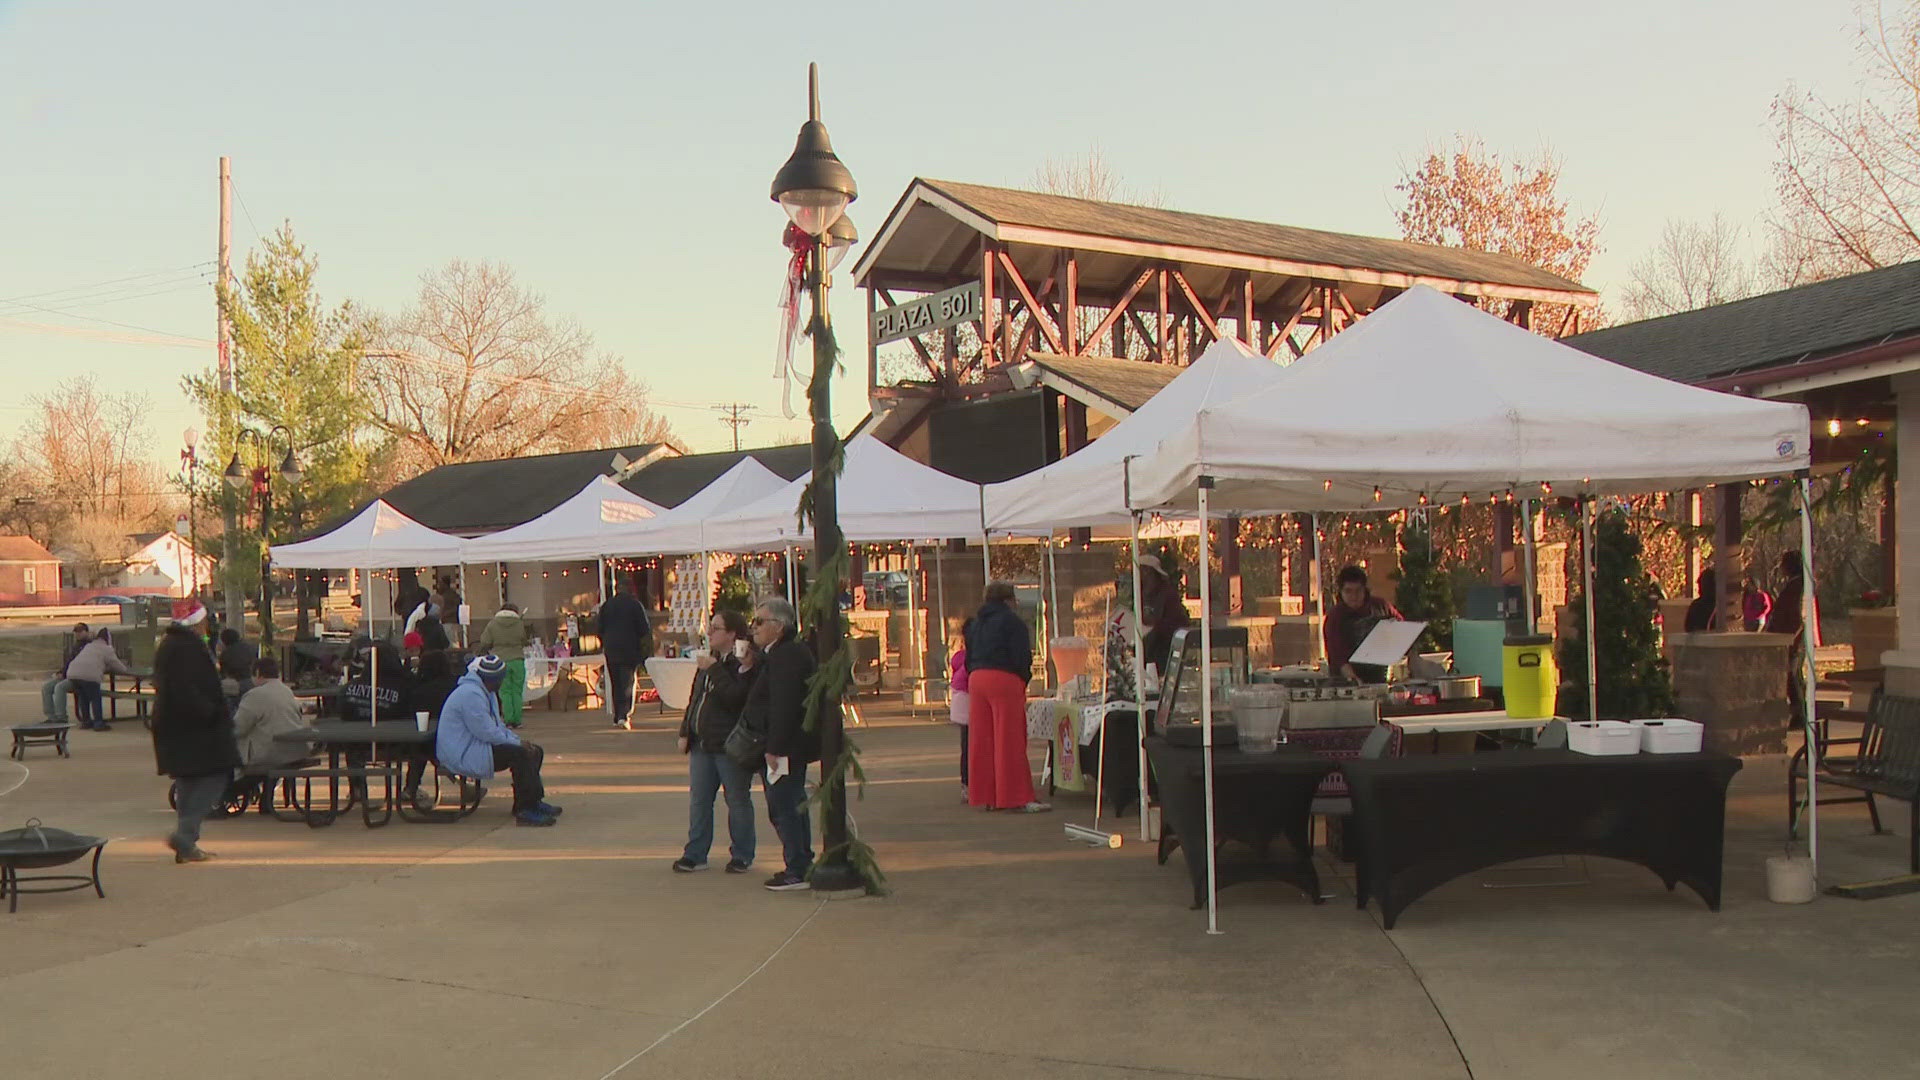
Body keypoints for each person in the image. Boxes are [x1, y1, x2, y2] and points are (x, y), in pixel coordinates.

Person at [150, 604, 240, 863]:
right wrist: (211, 712)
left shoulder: (170, 644)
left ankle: (187, 843)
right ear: (198, 623)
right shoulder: (187, 648)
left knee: (188, 782)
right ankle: (186, 835)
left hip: (174, 725)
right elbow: (187, 689)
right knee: (215, 778)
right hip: (196, 727)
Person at [740, 598, 819, 890]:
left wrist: (775, 747)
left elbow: (784, 706)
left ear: (779, 626)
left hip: (785, 746)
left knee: (784, 805)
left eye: (760, 622)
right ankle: (799, 862)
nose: (754, 628)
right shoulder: (775, 654)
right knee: (788, 804)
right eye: (754, 621)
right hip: (781, 743)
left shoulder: (789, 656)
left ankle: (798, 866)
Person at [673, 610, 760, 874]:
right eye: (710, 627)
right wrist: (685, 730)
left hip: (728, 743)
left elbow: (736, 697)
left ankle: (742, 854)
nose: (710, 632)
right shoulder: (709, 661)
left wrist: (716, 670)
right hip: (702, 741)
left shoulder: (742, 661)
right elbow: (696, 698)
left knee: (736, 799)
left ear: (732, 634)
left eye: (716, 628)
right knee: (699, 799)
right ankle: (696, 852)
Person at [436, 654, 560, 826]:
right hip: (462, 753)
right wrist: (517, 744)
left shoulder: (486, 691)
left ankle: (531, 802)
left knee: (534, 751)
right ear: (491, 679)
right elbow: (486, 732)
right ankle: (525, 810)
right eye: (499, 680)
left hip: (474, 746)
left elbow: (497, 726)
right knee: (520, 755)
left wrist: (517, 740)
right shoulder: (470, 695)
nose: (501, 683)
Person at [965, 582, 1048, 813]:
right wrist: (1023, 678)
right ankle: (1016, 796)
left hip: (977, 678)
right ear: (1009, 600)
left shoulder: (976, 623)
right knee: (1008, 740)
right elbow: (1021, 655)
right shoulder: (1013, 622)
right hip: (1004, 678)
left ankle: (987, 795)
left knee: (982, 741)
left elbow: (968, 654)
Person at [231, 656, 314, 772]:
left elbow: (238, 728)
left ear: (258, 673)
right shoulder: (286, 691)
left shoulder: (255, 695)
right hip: (293, 752)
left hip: (267, 754)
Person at [1323, 565, 1404, 684]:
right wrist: (1353, 680)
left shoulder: (1381, 607)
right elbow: (1338, 656)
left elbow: (1404, 630)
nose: (1353, 596)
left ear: (1365, 590)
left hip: (1380, 676)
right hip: (1346, 682)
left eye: (1358, 591)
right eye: (1348, 591)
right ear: (1341, 592)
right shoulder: (1335, 617)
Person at [599, 573, 655, 730]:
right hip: (629, 649)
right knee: (627, 683)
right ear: (630, 589)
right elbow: (644, 629)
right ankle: (624, 715)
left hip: (611, 649)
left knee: (615, 682)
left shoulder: (607, 605)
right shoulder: (635, 605)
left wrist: (605, 642)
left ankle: (618, 715)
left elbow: (599, 628)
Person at [1767, 550, 1808, 726]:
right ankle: (1800, 712)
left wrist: (1791, 639)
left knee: (1793, 677)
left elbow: (1798, 616)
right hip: (1790, 640)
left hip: (1794, 642)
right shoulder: (1794, 585)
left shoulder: (1799, 587)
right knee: (1793, 677)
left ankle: (1801, 714)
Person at [1136, 554, 1191, 681]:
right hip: (1147, 651)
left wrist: (1155, 625)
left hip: (1165, 652)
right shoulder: (1141, 594)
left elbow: (1176, 623)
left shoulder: (1167, 595)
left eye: (1145, 572)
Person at [66, 626, 132, 731]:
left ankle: (86, 721)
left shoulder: (89, 646)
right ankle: (98, 723)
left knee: (84, 697)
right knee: (95, 698)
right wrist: (125, 669)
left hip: (73, 673)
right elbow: (118, 666)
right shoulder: (106, 649)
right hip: (89, 676)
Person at [477, 603, 531, 727]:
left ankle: (508, 719)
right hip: (517, 659)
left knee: (505, 691)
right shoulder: (519, 623)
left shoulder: (493, 623)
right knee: (517, 691)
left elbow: (485, 641)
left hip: (500, 661)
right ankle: (517, 720)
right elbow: (524, 640)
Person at [41, 622, 90, 723]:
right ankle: (51, 716)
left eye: (81, 631)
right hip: (68, 675)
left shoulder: (89, 646)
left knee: (60, 687)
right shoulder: (76, 646)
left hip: (79, 678)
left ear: (87, 632)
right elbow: (69, 662)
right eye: (76, 632)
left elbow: (81, 665)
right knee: (46, 687)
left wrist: (65, 674)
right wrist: (61, 672)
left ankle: (61, 717)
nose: (78, 634)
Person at [948, 619, 971, 799]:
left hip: (958, 701)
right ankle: (969, 783)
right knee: (971, 745)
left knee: (966, 744)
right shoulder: (972, 658)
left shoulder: (959, 657)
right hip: (968, 701)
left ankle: (966, 784)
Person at [218, 627, 258, 699]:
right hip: (252, 679)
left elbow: (223, 672)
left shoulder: (226, 654)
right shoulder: (250, 647)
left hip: (235, 682)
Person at [1684, 568, 1719, 632]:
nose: (1699, 589)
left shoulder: (1719, 606)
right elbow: (1689, 628)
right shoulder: (1696, 606)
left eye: (1702, 584)